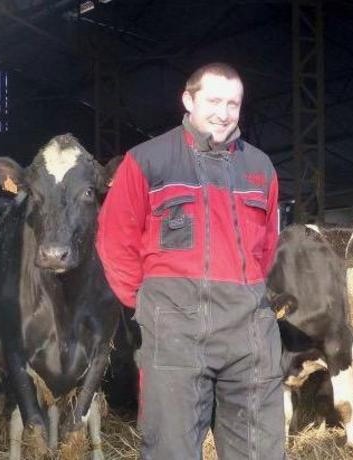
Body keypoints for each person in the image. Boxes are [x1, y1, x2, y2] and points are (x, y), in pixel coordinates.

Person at [96, 62, 283, 460]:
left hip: (249, 331)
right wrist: (147, 304)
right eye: (213, 100)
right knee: (171, 449)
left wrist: (248, 297)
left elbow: (266, 247)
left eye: (233, 103)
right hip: (175, 328)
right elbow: (114, 240)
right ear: (188, 99)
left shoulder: (260, 167)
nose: (224, 112)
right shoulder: (147, 160)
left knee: (260, 450)